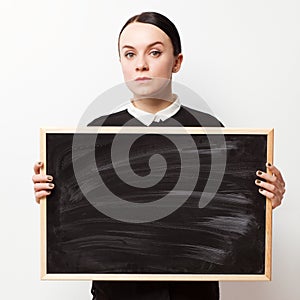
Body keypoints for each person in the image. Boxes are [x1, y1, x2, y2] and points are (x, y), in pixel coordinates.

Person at [32, 11, 286, 300]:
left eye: (154, 52)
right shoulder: (94, 134)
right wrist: (52, 197)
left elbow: (230, 218)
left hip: (192, 293)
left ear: (176, 61)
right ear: (120, 63)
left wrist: (263, 202)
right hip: (117, 294)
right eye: (129, 54)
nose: (141, 64)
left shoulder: (211, 130)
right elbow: (77, 222)